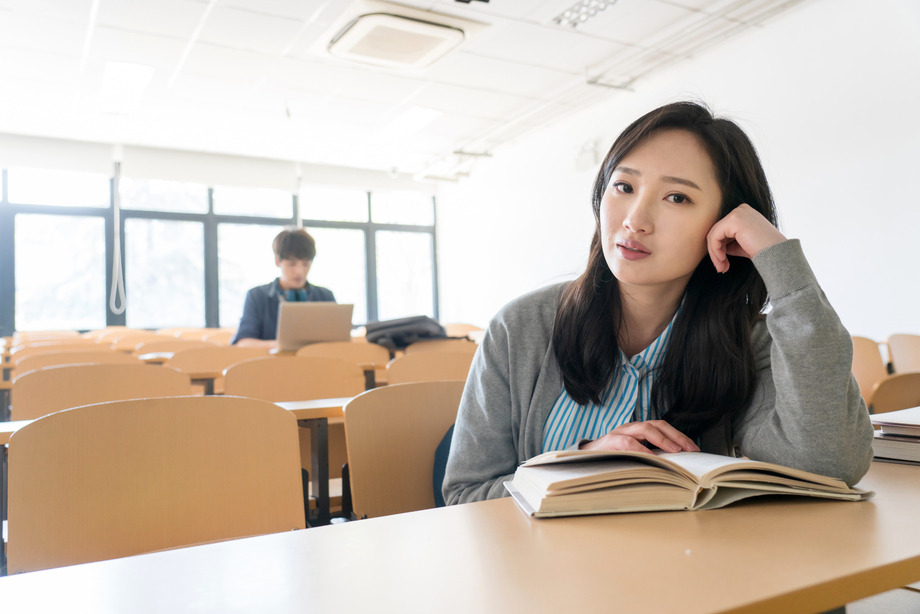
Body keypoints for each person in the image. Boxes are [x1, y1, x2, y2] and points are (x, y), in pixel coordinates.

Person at [443, 102, 874, 505]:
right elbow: (463, 495)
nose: (635, 220)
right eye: (624, 186)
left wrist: (779, 260)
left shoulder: (747, 343)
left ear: (724, 223)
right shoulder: (521, 328)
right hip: (546, 577)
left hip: (692, 576)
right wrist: (580, 465)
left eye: (677, 197)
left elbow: (828, 465)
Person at [231, 228, 335, 348]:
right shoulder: (257, 296)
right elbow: (243, 342)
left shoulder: (325, 296)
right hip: (271, 365)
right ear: (277, 261)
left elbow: (340, 343)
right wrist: (281, 346)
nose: (299, 271)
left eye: (306, 264)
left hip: (317, 365)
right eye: (292, 264)